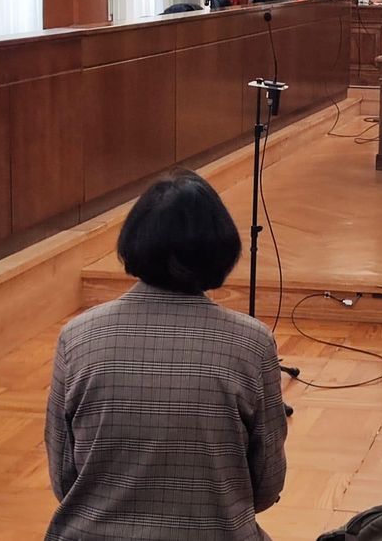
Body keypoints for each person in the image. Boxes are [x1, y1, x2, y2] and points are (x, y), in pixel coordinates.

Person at [44, 171, 287, 541]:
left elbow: (65, 479)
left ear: (133, 242)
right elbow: (267, 484)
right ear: (220, 248)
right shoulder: (252, 343)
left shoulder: (77, 337)